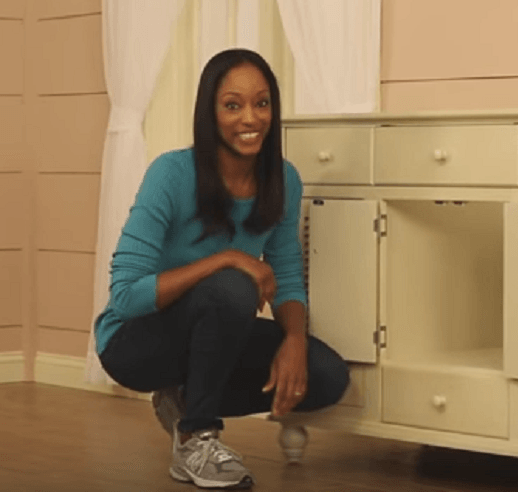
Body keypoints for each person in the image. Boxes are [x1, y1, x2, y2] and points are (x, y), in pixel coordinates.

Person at [93, 48, 350, 489]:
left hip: (214, 330)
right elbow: (126, 297)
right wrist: (228, 257)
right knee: (233, 285)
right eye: (233, 105)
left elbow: (287, 276)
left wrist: (293, 339)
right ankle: (196, 437)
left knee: (325, 376)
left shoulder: (283, 179)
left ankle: (182, 401)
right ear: (209, 114)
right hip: (134, 341)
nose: (251, 118)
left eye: (262, 103)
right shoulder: (171, 173)